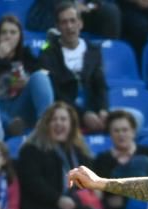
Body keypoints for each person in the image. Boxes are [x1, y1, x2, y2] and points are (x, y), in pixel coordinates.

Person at [0, 14, 54, 136]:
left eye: (13, 32)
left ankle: (45, 125)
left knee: (40, 77)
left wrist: (28, 80)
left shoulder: (25, 54)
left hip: (20, 107)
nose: (8, 36)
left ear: (19, 36)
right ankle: (10, 126)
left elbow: (46, 73)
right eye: (4, 32)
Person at [39, 1, 110, 133]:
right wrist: (83, 115)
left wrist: (103, 110)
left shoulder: (93, 50)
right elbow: (55, 91)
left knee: (135, 117)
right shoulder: (48, 53)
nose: (69, 26)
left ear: (80, 23)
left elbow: (100, 85)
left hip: (93, 111)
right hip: (63, 113)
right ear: (57, 27)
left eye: (73, 21)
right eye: (64, 22)